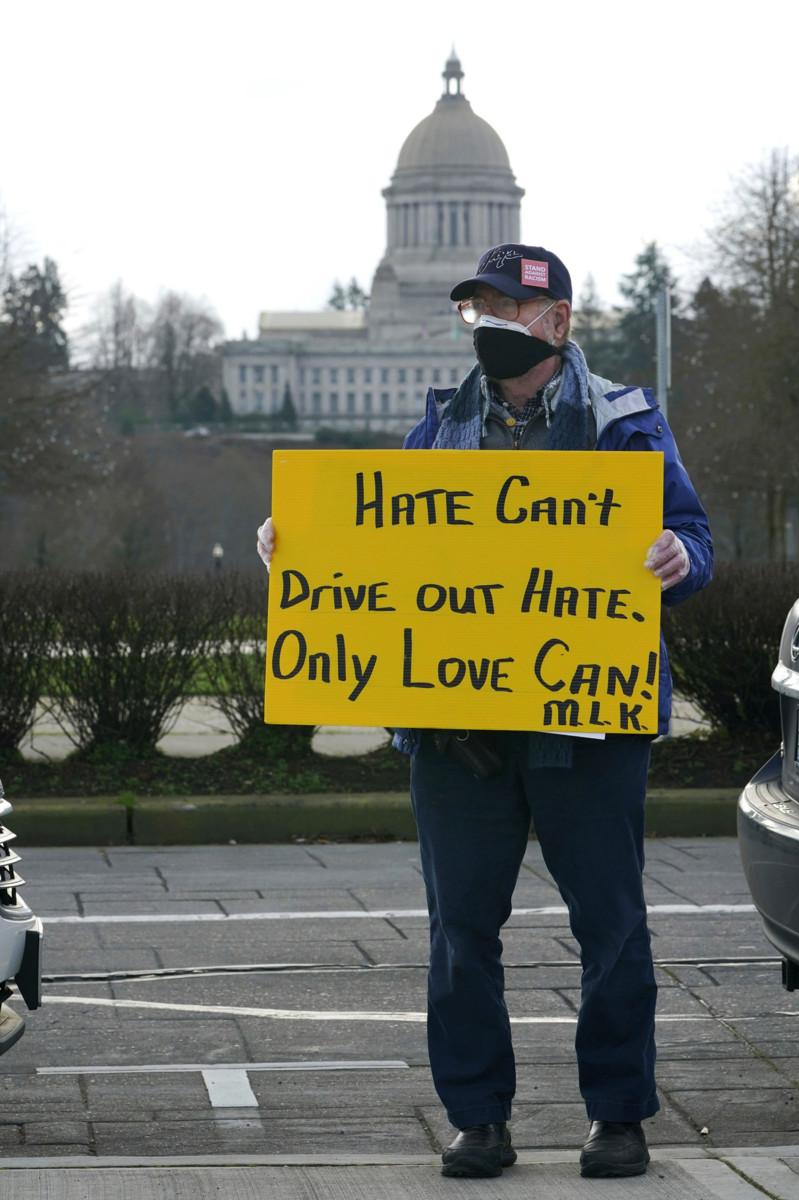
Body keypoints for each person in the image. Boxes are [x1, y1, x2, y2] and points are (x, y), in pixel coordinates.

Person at [257, 243, 713, 1181]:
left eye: (507, 308)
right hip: (459, 735)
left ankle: (618, 1115)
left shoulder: (626, 424)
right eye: (477, 311)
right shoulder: (436, 431)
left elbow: (695, 536)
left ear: (557, 321)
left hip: (587, 729)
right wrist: (301, 552)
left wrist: (679, 557)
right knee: (460, 932)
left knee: (613, 927)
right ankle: (478, 1118)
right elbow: (389, 553)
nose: (489, 326)